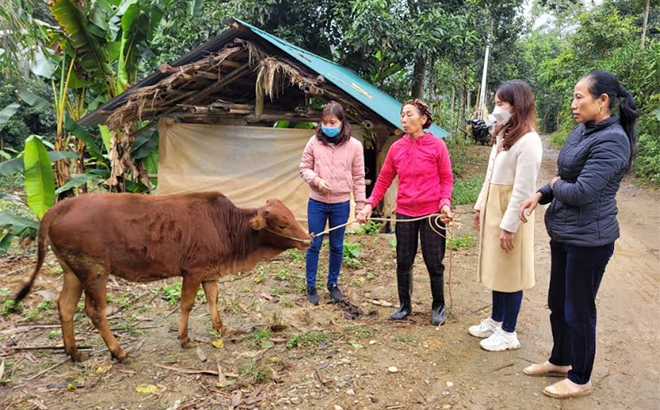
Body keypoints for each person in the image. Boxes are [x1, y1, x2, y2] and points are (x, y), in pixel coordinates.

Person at [518, 70, 637, 399]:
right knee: (557, 302)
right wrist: (541, 193)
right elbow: (562, 174)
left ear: (602, 101)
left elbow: (582, 190)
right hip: (566, 233)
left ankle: (580, 377)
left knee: (579, 309)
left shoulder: (613, 140)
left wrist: (555, 186)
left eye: (579, 97)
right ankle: (561, 360)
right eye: (573, 96)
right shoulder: (583, 130)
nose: (573, 104)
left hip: (591, 240)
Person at [356, 99, 453, 325]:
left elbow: (446, 179)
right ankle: (404, 305)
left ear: (423, 119)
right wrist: (370, 204)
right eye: (402, 115)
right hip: (406, 213)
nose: (404, 119)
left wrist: (444, 203)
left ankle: (438, 305)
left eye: (409, 114)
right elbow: (383, 180)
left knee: (434, 261)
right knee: (403, 260)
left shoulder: (437, 146)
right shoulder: (396, 148)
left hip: (431, 214)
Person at [468, 80, 543, 352]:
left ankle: (509, 331)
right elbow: (490, 176)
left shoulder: (529, 141)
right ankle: (497, 320)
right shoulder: (505, 135)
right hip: (494, 207)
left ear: (517, 105)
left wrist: (509, 226)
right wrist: (479, 206)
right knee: (498, 267)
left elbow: (523, 190)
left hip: (512, 213)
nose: (496, 109)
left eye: (500, 104)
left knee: (511, 272)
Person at [299, 101, 366, 305]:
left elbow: (359, 176)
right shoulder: (314, 142)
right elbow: (304, 167)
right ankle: (311, 286)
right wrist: (316, 180)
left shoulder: (354, 146)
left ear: (341, 121)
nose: (328, 125)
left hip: (341, 204)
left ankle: (333, 284)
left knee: (337, 245)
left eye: (332, 122)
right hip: (317, 203)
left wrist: (361, 206)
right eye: (325, 122)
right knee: (314, 243)